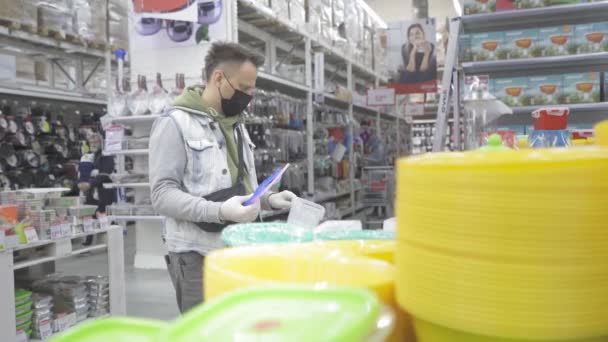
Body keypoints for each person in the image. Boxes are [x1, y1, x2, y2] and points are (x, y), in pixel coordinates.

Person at [149, 42, 297, 313]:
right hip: (196, 257)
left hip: (237, 248)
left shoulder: (235, 124)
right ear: (218, 78)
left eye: (253, 89)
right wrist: (218, 211)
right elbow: (161, 195)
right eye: (244, 88)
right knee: (206, 331)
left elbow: (236, 187)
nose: (249, 96)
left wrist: (269, 200)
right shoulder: (175, 123)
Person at [78, 132, 116, 246]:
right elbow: (82, 173)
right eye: (91, 142)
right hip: (90, 191)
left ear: (101, 142)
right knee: (89, 214)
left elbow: (105, 173)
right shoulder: (87, 156)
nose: (93, 144)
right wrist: (81, 183)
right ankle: (88, 241)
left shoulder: (106, 155)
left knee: (104, 215)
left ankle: (111, 241)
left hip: (103, 191)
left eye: (96, 141)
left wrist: (90, 182)